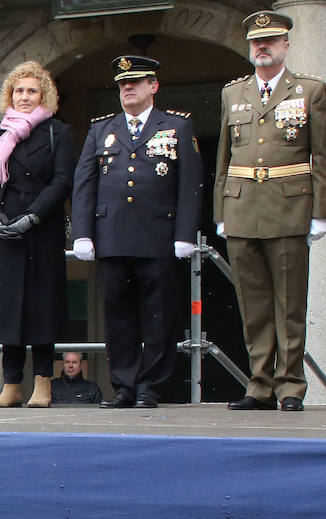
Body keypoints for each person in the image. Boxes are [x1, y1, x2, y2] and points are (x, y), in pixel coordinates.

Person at [72, 55, 203, 410]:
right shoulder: (101, 128)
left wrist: (185, 233)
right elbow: (84, 184)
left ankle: (152, 387)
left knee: (159, 317)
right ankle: (125, 385)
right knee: (118, 317)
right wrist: (82, 232)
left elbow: (190, 184)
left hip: (158, 236)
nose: (127, 88)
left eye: (135, 82)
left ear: (153, 86)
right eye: (121, 84)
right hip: (112, 236)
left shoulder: (176, 125)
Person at [214, 10, 326, 412]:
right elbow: (224, 159)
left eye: (271, 41)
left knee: (289, 306)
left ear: (285, 45)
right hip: (242, 206)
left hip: (289, 205)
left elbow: (322, 155)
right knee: (254, 306)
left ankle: (290, 386)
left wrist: (320, 211)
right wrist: (221, 209)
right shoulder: (233, 93)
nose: (262, 47)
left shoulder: (310, 91)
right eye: (256, 43)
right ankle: (259, 385)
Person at [0, 61, 75, 409]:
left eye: (31, 90)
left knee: (41, 308)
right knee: (7, 307)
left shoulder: (59, 131)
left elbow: (62, 181)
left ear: (44, 94)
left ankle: (43, 382)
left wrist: (32, 217)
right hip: (2, 227)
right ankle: (11, 383)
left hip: (40, 229)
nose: (24, 97)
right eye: (18, 90)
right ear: (9, 95)